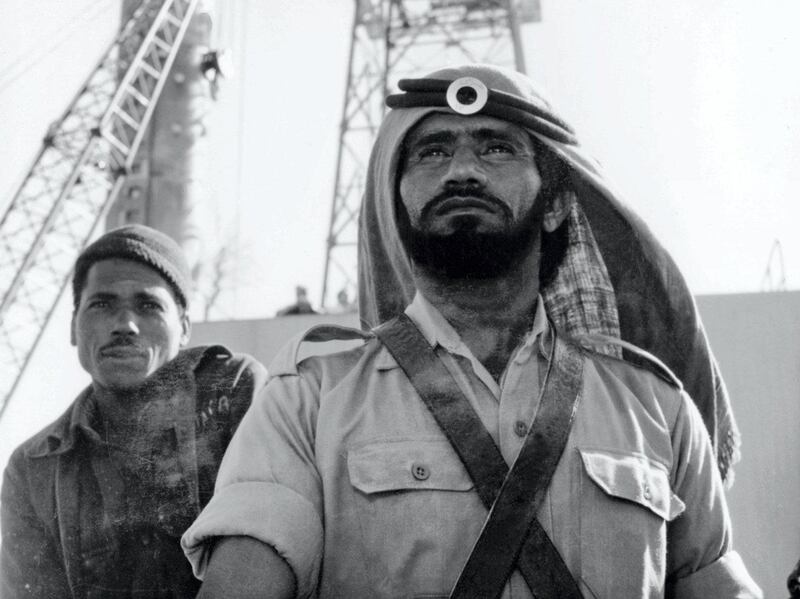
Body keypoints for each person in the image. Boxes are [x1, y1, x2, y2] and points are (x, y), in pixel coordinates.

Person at [183, 65, 760, 598]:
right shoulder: (309, 398)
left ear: (556, 203)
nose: (462, 170)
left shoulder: (652, 405)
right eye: (433, 152)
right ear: (397, 201)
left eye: (496, 148)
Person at [1, 225, 267, 598]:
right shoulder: (33, 466)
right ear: (74, 328)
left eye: (148, 306)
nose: (125, 325)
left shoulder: (232, 392)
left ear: (184, 327)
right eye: (102, 304)